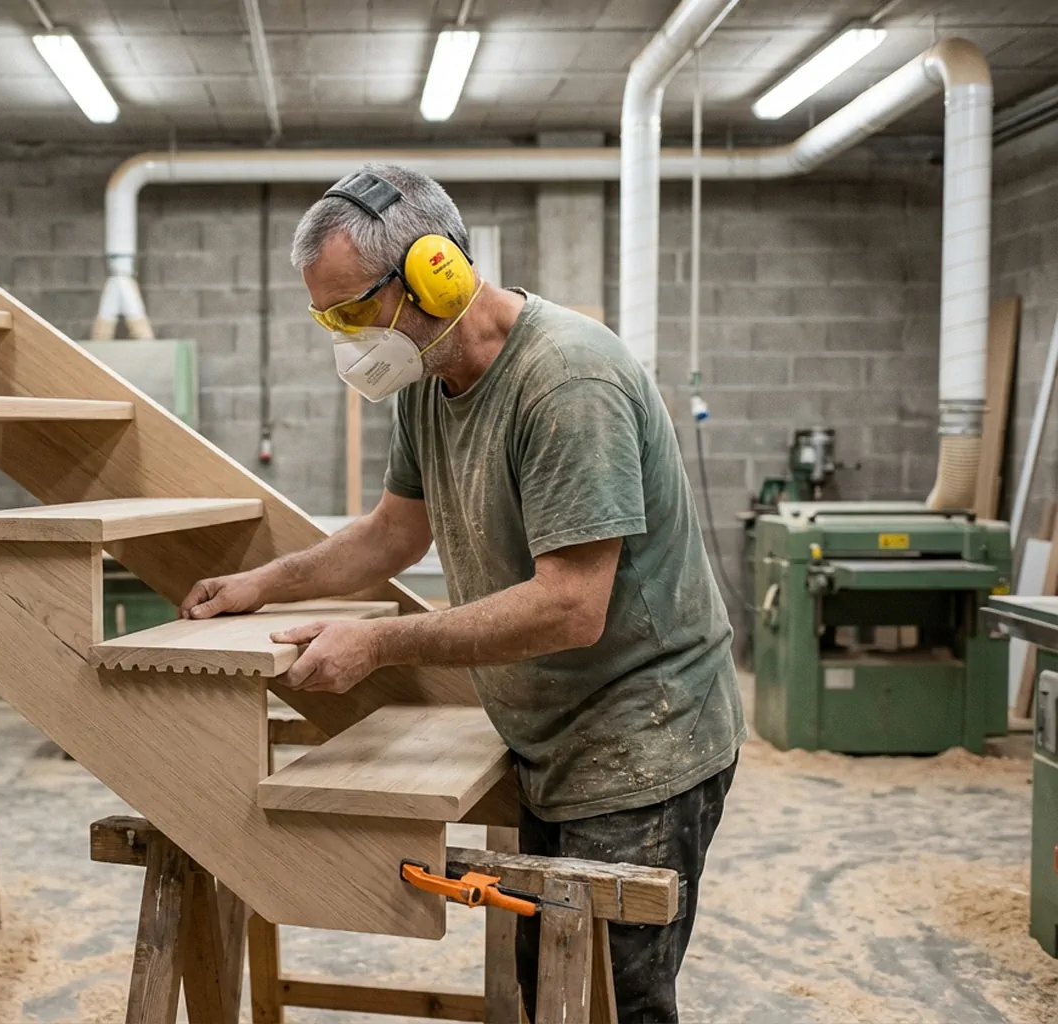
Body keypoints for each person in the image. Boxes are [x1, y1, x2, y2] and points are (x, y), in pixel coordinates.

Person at [178, 163, 744, 1023]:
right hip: (551, 730)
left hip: (643, 736)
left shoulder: (566, 383)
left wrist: (380, 642)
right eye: (326, 317)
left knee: (611, 1002)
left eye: (353, 309)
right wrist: (262, 582)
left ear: (434, 271)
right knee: (544, 981)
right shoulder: (427, 381)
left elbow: (570, 604)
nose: (343, 338)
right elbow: (392, 535)